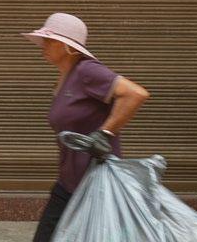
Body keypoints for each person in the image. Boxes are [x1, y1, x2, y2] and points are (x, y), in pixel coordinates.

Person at [23, 13, 151, 242]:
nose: (43, 45)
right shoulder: (67, 76)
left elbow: (135, 94)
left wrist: (105, 133)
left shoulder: (86, 70)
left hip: (95, 187)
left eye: (49, 40)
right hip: (69, 184)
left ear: (67, 46)